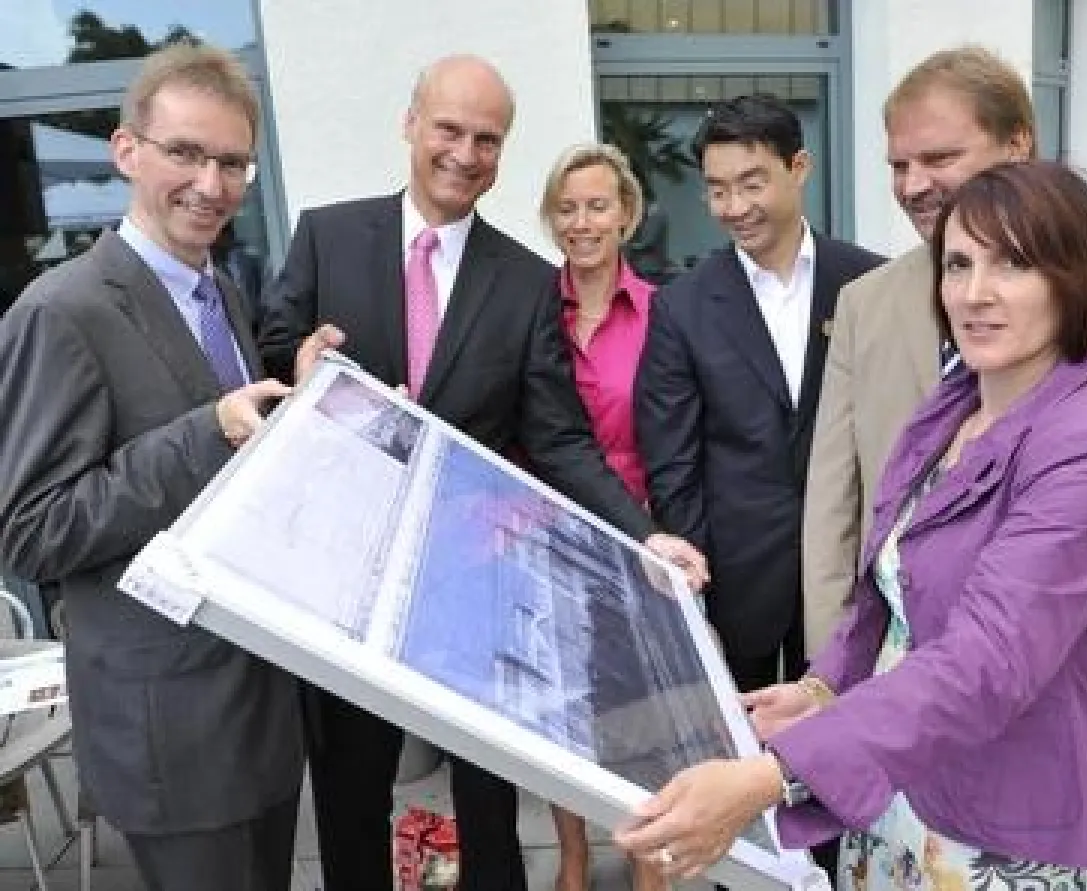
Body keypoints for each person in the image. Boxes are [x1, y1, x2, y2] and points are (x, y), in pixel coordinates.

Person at [616, 159, 1087, 890]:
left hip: (995, 824)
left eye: (1014, 263)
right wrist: (821, 689)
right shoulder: (951, 408)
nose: (975, 293)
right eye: (958, 263)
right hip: (893, 790)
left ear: (1076, 279)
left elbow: (985, 662)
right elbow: (888, 596)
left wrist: (774, 775)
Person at [256, 55, 707, 891]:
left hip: (471, 587)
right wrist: (301, 368)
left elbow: (559, 437)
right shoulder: (326, 235)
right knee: (351, 795)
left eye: (487, 140)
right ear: (411, 123)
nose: (465, 154)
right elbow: (273, 349)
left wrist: (646, 536)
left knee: (489, 804)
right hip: (341, 579)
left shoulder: (528, 282)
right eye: (449, 129)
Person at [803, 46, 1087, 748]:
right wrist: (828, 678)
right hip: (884, 698)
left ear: (1017, 144)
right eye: (898, 165)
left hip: (1048, 705)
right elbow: (837, 502)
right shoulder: (865, 303)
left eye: (938, 158)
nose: (913, 185)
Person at [0, 44, 303, 891]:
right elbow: (33, 531)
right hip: (170, 734)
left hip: (259, 708)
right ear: (126, 150)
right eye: (186, 152)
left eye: (233, 162)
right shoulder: (59, 311)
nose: (211, 184)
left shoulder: (223, 293)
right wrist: (206, 432)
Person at [635, 94, 882, 695]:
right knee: (740, 734)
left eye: (752, 184)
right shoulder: (682, 306)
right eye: (718, 190)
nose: (735, 207)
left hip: (852, 571)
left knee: (842, 730)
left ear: (799, 168)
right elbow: (673, 461)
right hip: (736, 578)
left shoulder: (869, 283)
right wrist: (699, 583)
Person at [538, 141, 665, 891]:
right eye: (566, 208)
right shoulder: (530, 307)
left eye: (596, 206)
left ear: (625, 215)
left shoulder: (660, 313)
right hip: (547, 529)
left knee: (641, 705)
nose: (581, 222)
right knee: (561, 709)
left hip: (637, 533)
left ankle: (648, 857)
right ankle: (574, 856)